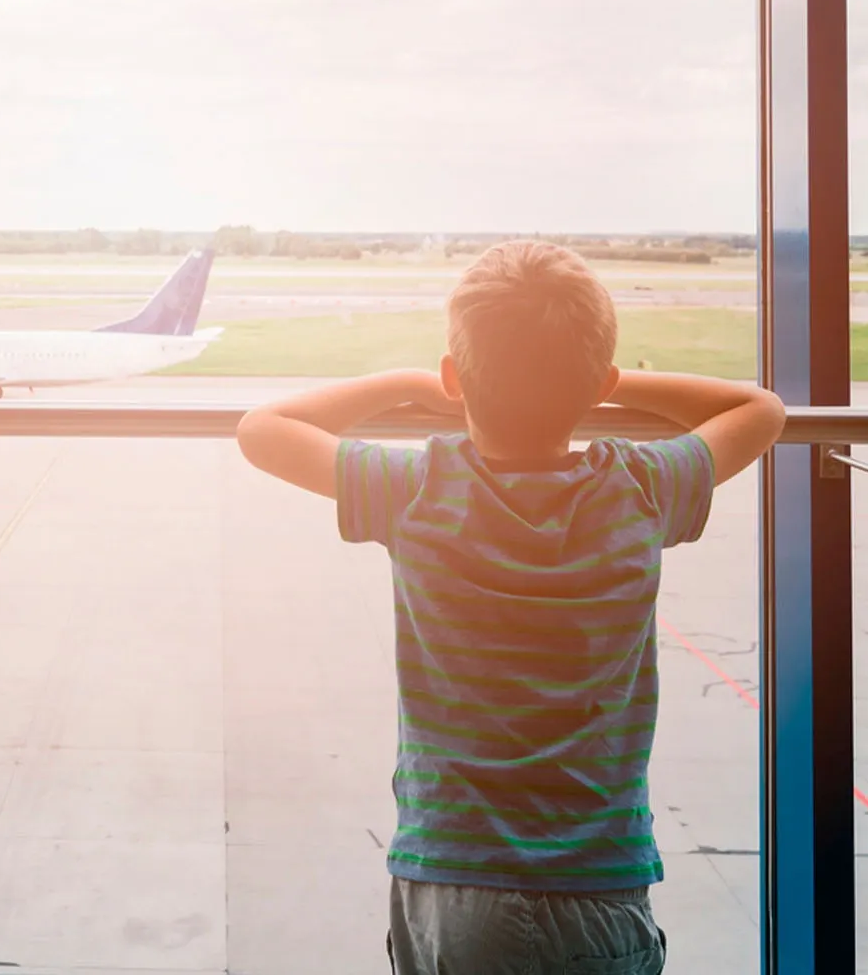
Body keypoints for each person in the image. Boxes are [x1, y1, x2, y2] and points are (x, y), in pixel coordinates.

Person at [234, 240, 785, 975]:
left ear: (455, 378)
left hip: (448, 876)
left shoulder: (416, 488)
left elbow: (261, 429)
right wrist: (606, 387)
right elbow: (760, 408)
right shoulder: (643, 487)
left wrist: (412, 383)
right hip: (598, 881)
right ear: (600, 384)